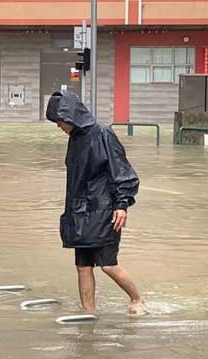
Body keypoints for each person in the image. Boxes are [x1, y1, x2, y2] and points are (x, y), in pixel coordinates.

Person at [45, 90, 147, 316]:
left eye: (60, 121)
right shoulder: (75, 139)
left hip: (103, 211)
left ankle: (138, 299)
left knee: (108, 264)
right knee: (83, 266)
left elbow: (122, 172)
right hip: (80, 213)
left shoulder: (102, 134)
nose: (58, 126)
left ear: (70, 116)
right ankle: (88, 312)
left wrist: (122, 204)